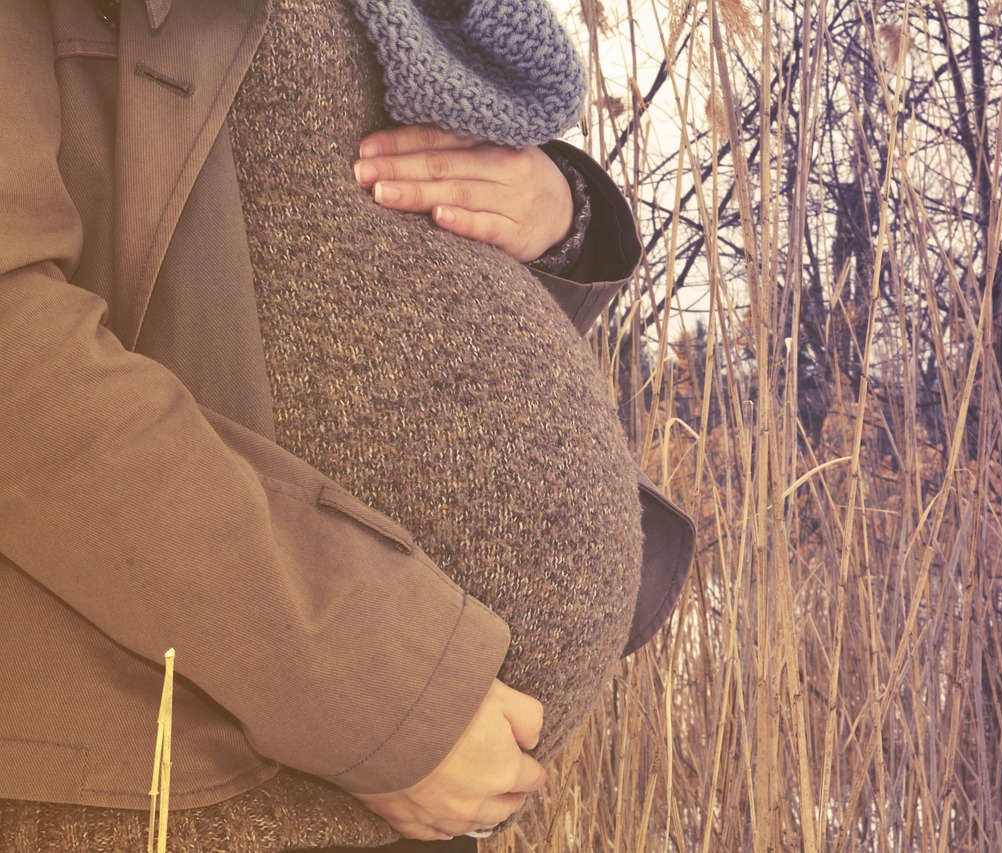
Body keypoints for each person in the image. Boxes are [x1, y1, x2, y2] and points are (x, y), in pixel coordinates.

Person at [0, 0, 694, 850]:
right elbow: (17, 362)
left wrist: (555, 212)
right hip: (183, 756)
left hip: (365, 754)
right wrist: (384, 688)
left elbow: (309, 217)